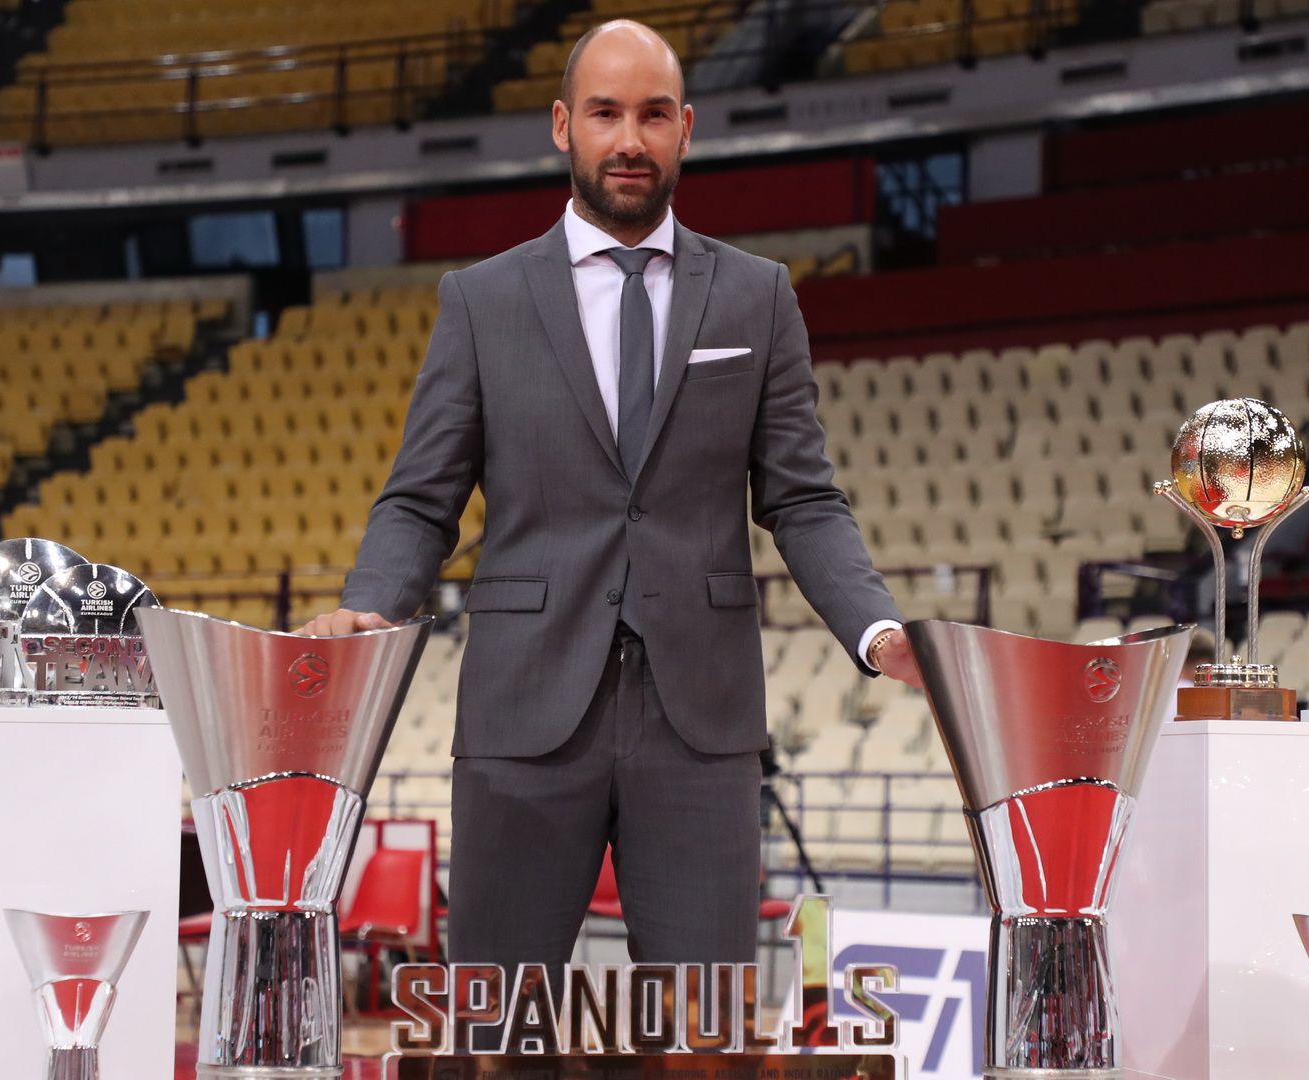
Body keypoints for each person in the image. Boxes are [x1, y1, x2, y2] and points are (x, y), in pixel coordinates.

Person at [298, 19, 923, 980]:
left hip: (701, 722)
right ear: (563, 126)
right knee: (497, 1025)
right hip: (522, 712)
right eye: (605, 114)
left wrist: (877, 631)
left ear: (686, 129)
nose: (629, 140)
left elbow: (803, 499)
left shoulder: (757, 296)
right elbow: (422, 500)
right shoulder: (482, 301)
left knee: (704, 1030)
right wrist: (372, 606)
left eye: (653, 115)